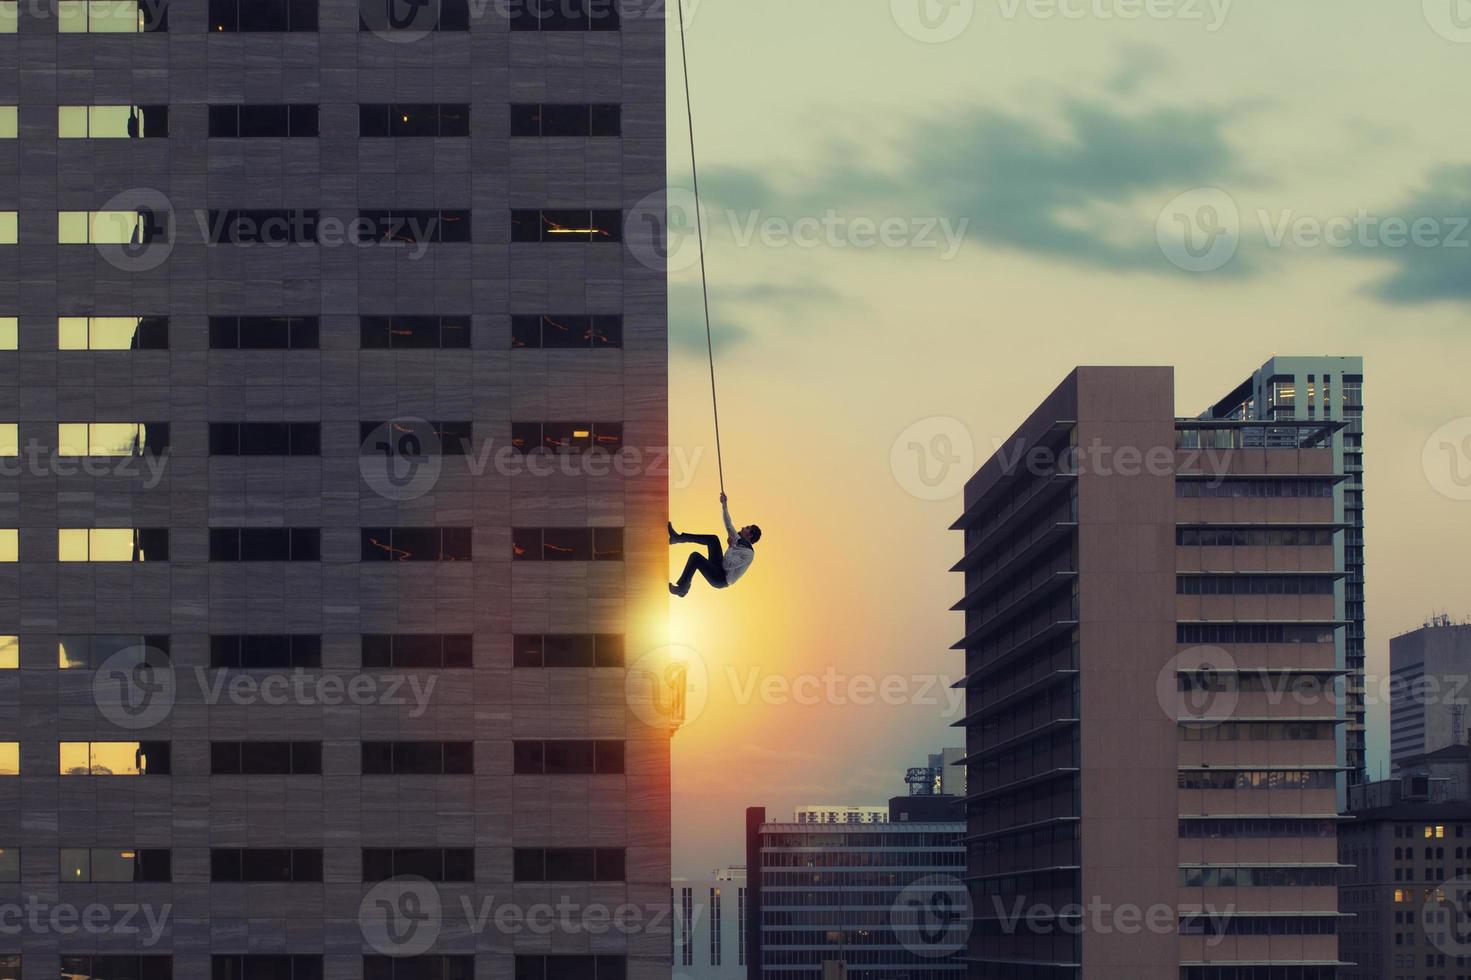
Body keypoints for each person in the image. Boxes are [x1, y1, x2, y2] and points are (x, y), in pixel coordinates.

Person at [668, 493, 761, 597]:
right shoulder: (738, 539)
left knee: (695, 557)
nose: (743, 527)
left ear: (750, 536)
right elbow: (728, 524)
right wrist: (724, 504)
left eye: (747, 528)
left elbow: (727, 565)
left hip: (720, 579)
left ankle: (682, 589)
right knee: (713, 539)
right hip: (719, 566)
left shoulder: (748, 555)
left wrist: (730, 547)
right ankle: (677, 538)